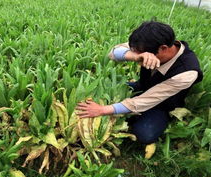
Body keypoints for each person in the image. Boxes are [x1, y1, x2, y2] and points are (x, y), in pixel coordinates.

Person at [76, 21, 203, 156]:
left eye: (141, 52)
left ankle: (139, 117)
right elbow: (113, 53)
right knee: (101, 89)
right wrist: (135, 56)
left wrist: (102, 110)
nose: (139, 55)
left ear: (163, 48)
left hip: (162, 103)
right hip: (143, 86)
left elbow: (146, 100)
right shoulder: (149, 41)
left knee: (144, 134)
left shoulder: (187, 72)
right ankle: (126, 113)